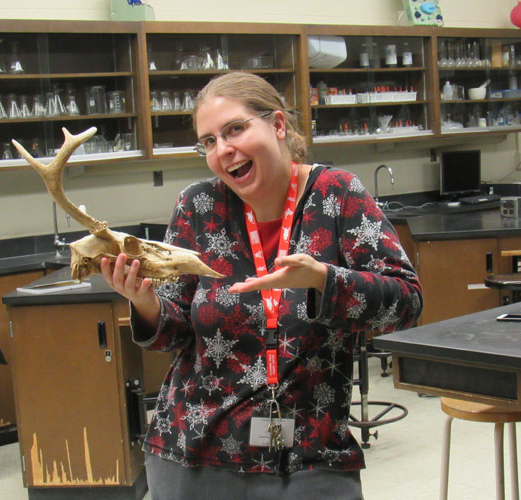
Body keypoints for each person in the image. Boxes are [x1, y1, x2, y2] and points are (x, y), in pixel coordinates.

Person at [101, 72, 422, 500]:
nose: (223, 150)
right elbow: (174, 331)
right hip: (194, 449)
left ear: (277, 125)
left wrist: (325, 281)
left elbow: (407, 302)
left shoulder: (337, 195)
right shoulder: (199, 206)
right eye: (209, 141)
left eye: (234, 129)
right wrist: (143, 301)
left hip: (309, 449)